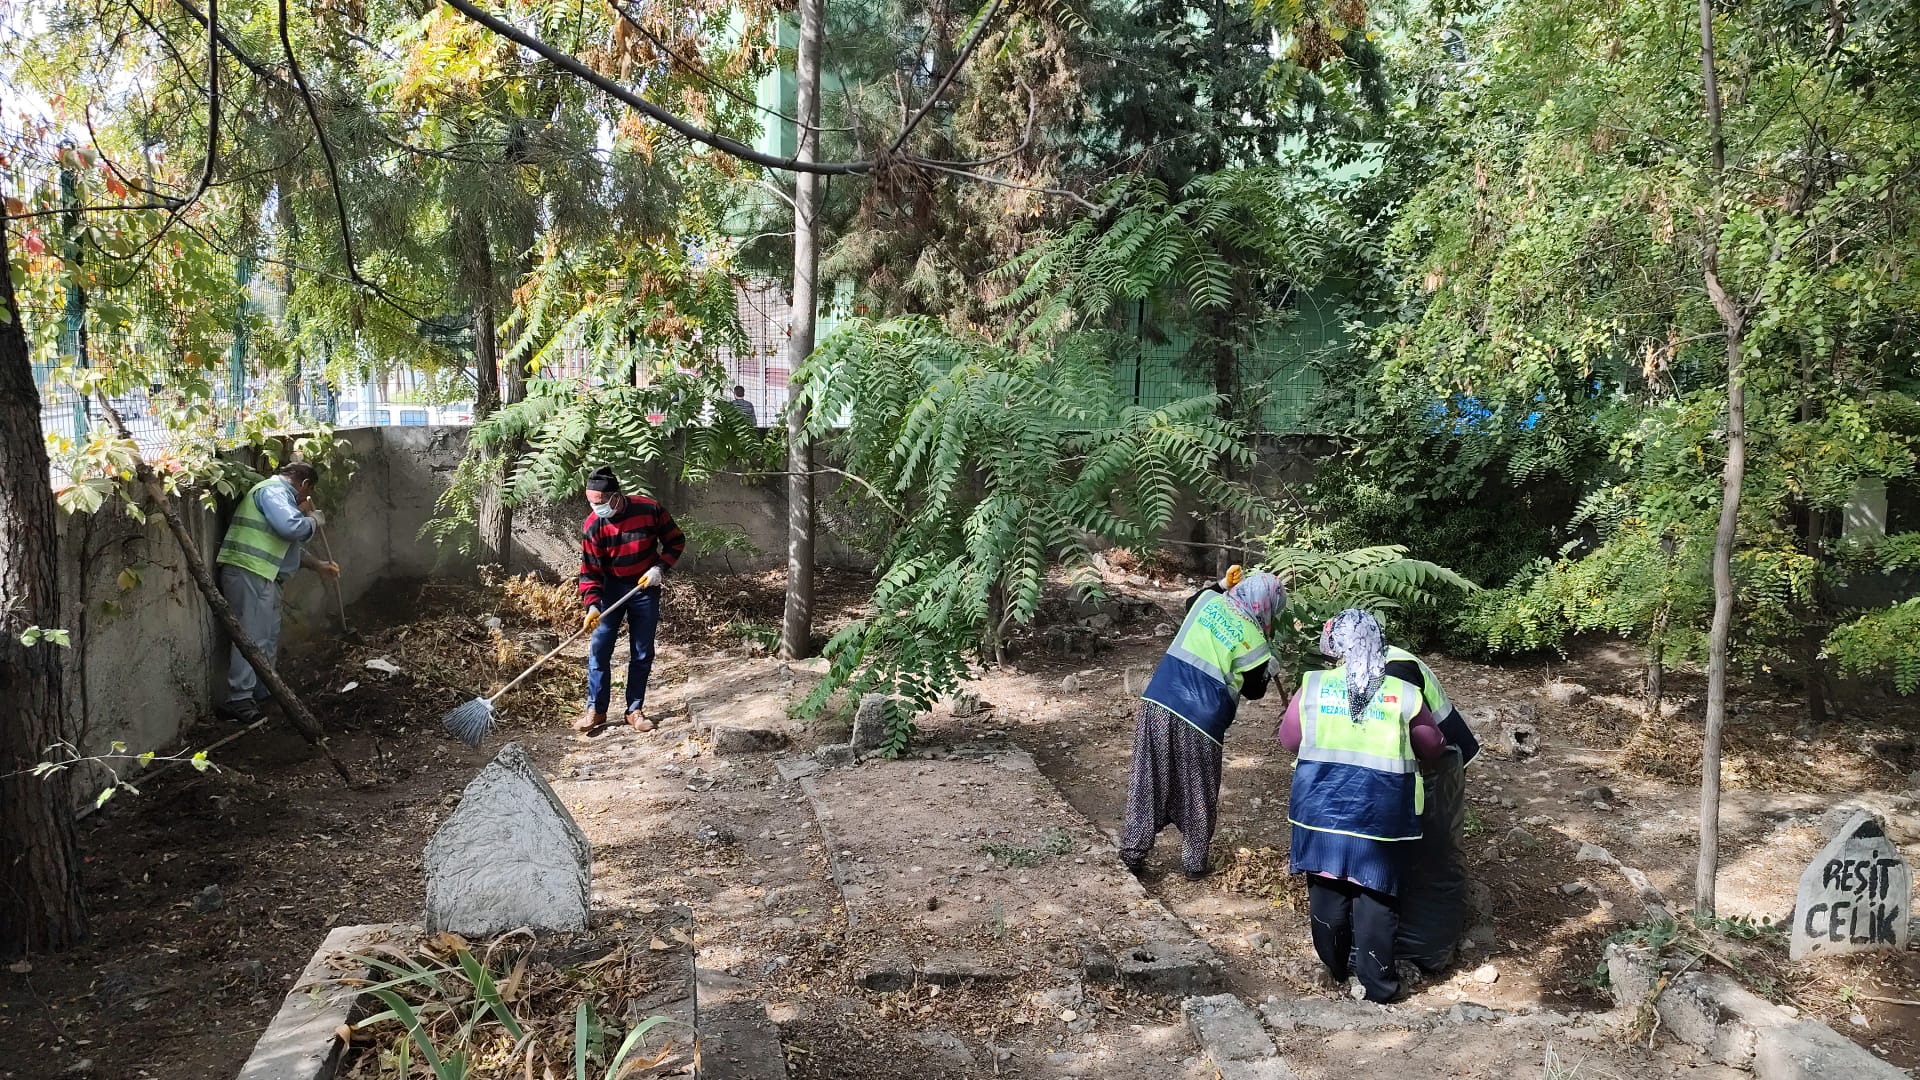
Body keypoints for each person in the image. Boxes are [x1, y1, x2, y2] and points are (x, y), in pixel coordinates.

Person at [1281, 609, 1447, 1002]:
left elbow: (1289, 740)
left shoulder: (1314, 686)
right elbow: (1434, 746)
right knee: (1377, 896)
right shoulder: (1404, 694)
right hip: (1381, 815)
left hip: (1320, 811)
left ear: (1335, 645)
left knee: (1325, 887)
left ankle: (1336, 967)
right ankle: (1380, 987)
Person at [1121, 569, 1287, 880]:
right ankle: (1194, 862)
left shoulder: (1208, 600)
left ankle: (1132, 852)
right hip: (1202, 719)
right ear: (1266, 606)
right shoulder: (1254, 640)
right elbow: (1253, 690)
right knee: (1199, 787)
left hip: (1159, 700)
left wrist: (1223, 584)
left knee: (1149, 777)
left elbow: (1189, 603)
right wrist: (1268, 668)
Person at [213, 462, 339, 723]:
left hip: (263, 575)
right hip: (249, 570)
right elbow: (291, 529)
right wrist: (313, 520)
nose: (306, 499)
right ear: (304, 484)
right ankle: (239, 698)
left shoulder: (280, 500)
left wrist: (319, 565)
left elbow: (287, 546)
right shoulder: (273, 491)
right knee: (251, 636)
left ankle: (264, 690)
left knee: (267, 637)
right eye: (308, 492)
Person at [576, 466, 685, 733]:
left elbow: (676, 541)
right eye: (591, 503)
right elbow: (590, 570)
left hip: (644, 587)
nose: (596, 508)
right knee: (600, 649)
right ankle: (596, 709)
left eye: (600, 503)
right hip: (611, 588)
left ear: (615, 496)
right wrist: (592, 605)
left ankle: (634, 710)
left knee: (642, 651)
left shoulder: (649, 510)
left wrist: (659, 568)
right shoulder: (593, 525)